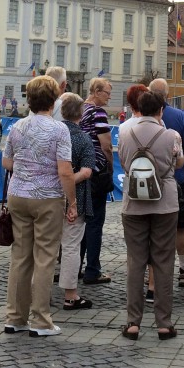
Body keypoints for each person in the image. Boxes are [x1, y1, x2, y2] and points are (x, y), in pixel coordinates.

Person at [2, 75, 76, 337]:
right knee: (44, 258)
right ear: (53, 100)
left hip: (18, 195)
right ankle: (41, 320)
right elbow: (65, 171)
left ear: (29, 99)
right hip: (47, 197)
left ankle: (15, 317)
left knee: (20, 257)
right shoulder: (59, 130)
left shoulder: (17, 126)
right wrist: (72, 201)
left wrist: (27, 169)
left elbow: (7, 162)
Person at [118, 90, 183, 340]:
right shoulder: (171, 135)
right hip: (165, 203)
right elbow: (178, 163)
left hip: (134, 202)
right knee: (163, 261)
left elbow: (124, 162)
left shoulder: (125, 132)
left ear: (138, 108)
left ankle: (133, 322)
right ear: (161, 110)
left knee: (136, 261)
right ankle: (164, 323)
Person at [149, 79, 184, 287]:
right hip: (176, 182)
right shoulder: (178, 116)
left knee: (151, 229)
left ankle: (152, 276)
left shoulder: (140, 119)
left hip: (148, 183)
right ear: (167, 95)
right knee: (181, 226)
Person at [58, 93, 95, 310]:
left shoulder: (53, 133)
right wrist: (70, 179)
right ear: (80, 114)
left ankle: (37, 292)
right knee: (71, 246)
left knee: (45, 246)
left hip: (49, 196)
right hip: (76, 198)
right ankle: (70, 295)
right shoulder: (83, 138)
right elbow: (87, 171)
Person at [80, 78, 114, 286]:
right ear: (97, 91)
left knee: (80, 222)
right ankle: (92, 270)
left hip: (80, 170)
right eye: (107, 93)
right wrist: (110, 165)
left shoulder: (81, 108)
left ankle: (75, 267)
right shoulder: (98, 112)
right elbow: (106, 146)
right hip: (96, 170)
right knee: (94, 222)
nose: (109, 97)